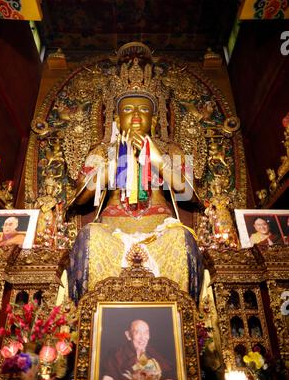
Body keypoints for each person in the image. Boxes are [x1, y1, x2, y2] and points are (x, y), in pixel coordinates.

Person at [68, 46, 204, 305]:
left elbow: (190, 193)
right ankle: (91, 319)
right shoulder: (102, 150)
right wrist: (108, 170)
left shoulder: (171, 150)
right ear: (117, 119)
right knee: (89, 238)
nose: (137, 116)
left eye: (143, 110)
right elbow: (80, 197)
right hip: (113, 230)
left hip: (160, 230)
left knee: (182, 238)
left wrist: (158, 161)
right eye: (128, 110)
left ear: (154, 119)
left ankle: (183, 321)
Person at [100, 319, 176, 380]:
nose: (143, 338)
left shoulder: (152, 352)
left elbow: (172, 377)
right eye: (137, 332)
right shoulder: (117, 356)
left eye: (146, 333)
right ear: (128, 335)